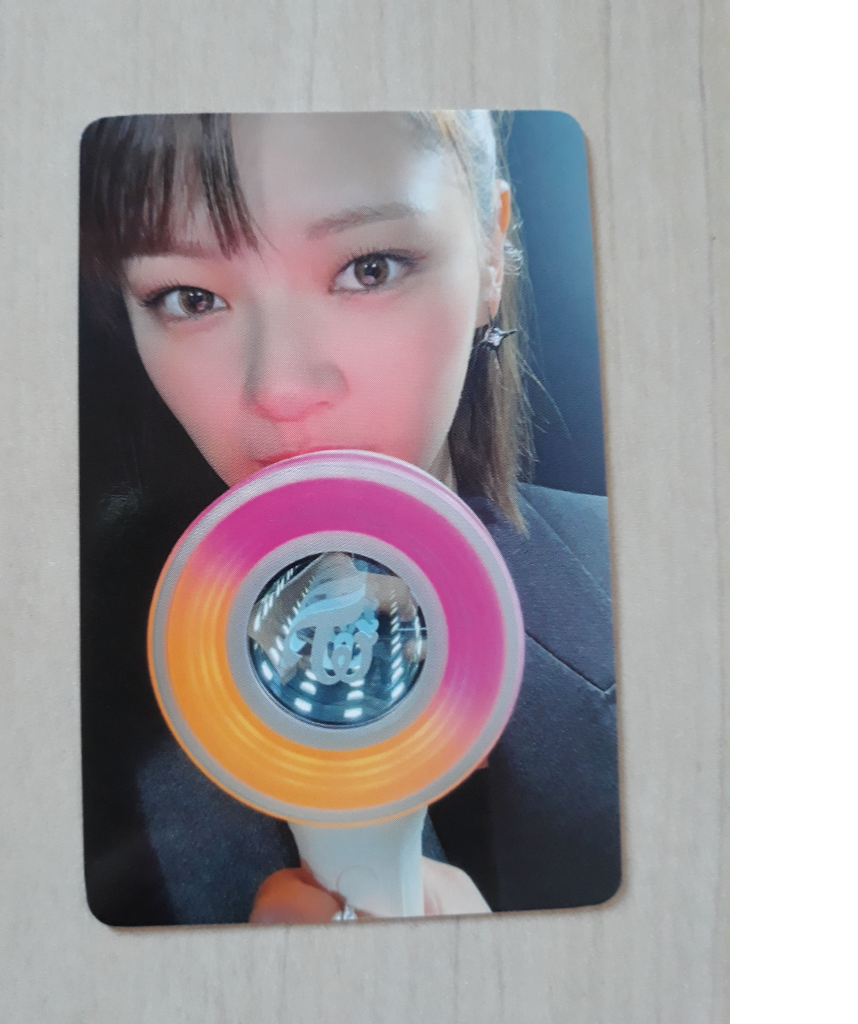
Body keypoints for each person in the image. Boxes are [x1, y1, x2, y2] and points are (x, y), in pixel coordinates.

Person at [79, 111, 620, 925]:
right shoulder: (52, 737)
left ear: (489, 253)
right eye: (190, 298)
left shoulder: (674, 601)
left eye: (369, 269)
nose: (279, 387)